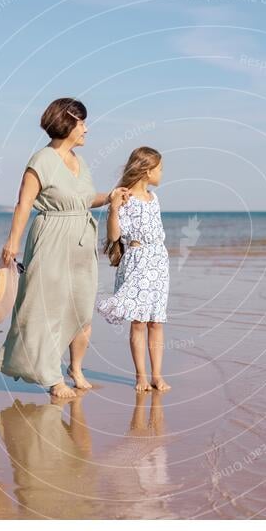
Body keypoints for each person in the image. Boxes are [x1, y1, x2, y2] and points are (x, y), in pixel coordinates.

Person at [0, 97, 129, 398]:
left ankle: (75, 368)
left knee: (81, 310)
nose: (87, 130)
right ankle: (53, 378)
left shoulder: (81, 163)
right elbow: (24, 204)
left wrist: (109, 196)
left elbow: (84, 198)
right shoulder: (41, 161)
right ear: (68, 124)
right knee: (47, 309)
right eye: (82, 123)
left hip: (82, 241)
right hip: (51, 238)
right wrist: (12, 242)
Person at [96, 147, 171, 392]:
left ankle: (157, 375)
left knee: (156, 321)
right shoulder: (127, 198)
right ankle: (141, 375)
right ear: (148, 171)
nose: (162, 173)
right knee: (138, 321)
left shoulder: (154, 198)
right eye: (160, 169)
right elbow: (115, 235)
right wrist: (114, 208)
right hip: (137, 261)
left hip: (158, 261)